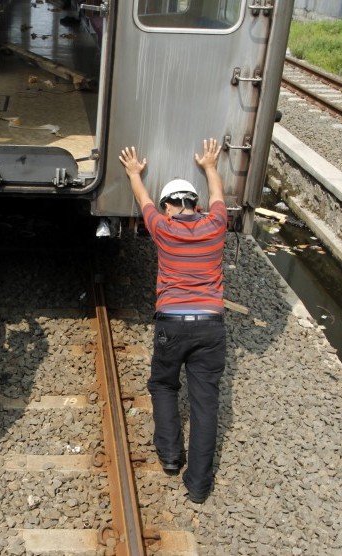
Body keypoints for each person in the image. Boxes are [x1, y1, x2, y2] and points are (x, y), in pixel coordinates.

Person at [119, 139, 227, 504]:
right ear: (195, 205)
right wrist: (210, 165)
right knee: (205, 403)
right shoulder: (216, 226)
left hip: (172, 324)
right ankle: (198, 485)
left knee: (164, 384)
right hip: (211, 325)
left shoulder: (164, 229)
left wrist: (135, 172)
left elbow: (142, 201)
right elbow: (218, 198)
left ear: (169, 208)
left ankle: (169, 456)